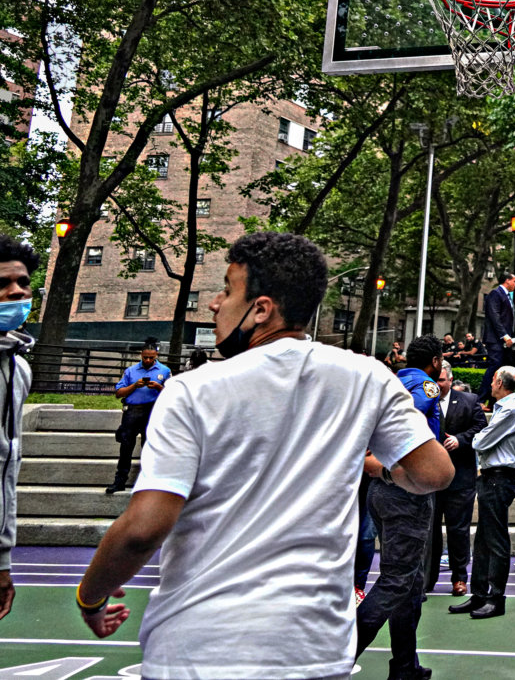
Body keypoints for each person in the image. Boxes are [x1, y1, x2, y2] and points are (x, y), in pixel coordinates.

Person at [74, 232, 453, 676]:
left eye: (227, 290)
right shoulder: (368, 377)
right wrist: (380, 470)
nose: (215, 303)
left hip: (202, 644)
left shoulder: (191, 391)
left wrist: (90, 596)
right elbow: (434, 472)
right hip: (315, 647)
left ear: (261, 309)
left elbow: (143, 529)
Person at [356, 333, 445, 679]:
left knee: (410, 584)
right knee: (397, 580)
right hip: (406, 490)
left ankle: (406, 666)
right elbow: (409, 418)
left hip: (381, 490)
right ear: (435, 362)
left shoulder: (391, 382)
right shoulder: (425, 387)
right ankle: (338, 654)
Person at [451, 365, 515, 619]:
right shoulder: (504, 408)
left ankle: (495, 597)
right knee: (483, 540)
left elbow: (480, 441)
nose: (490, 384)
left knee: (495, 539)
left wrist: (478, 437)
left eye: (493, 380)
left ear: (500, 383)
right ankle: (480, 594)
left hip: (499, 478)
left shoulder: (511, 410)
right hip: (491, 477)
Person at [0, 235, 37, 624]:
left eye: (22, 282)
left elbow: (6, 467)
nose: (16, 292)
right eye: (2, 284)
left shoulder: (18, 368)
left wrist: (2, 559)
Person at [429, 360, 486, 597]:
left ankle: (459, 578)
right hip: (430, 479)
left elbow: (481, 427)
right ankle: (427, 579)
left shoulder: (469, 401)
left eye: (441, 380)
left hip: (460, 478)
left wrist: (460, 440)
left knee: (458, 531)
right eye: (434, 379)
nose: (437, 384)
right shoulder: (423, 400)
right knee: (430, 532)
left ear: (451, 380)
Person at [106, 337, 171, 494]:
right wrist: (135, 385)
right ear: (141, 355)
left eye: (151, 358)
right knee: (126, 447)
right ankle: (120, 481)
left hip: (153, 410)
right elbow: (118, 393)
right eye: (145, 357)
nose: (148, 360)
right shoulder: (131, 371)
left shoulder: (164, 371)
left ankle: (149, 482)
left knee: (149, 447)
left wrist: (158, 387)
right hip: (132, 411)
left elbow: (172, 394)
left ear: (156, 356)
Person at [478, 275, 515, 401]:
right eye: (514, 281)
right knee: (495, 367)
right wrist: (504, 335)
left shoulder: (507, 296)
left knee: (503, 370)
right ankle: (481, 399)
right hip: (495, 339)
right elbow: (494, 317)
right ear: (507, 280)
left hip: (505, 340)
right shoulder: (495, 294)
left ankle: (495, 400)